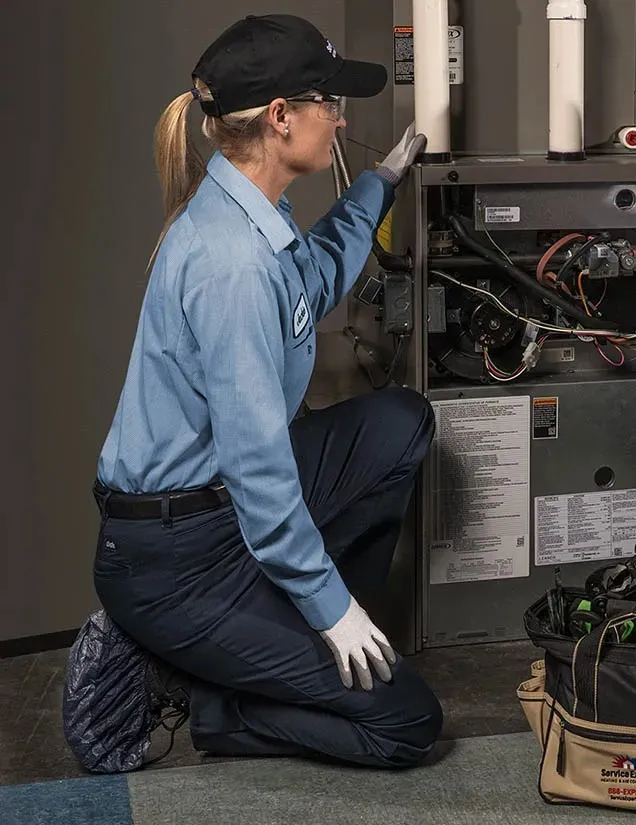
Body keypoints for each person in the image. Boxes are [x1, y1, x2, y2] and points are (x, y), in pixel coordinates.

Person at [92, 14, 442, 767]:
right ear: (281, 118)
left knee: (399, 423)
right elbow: (259, 472)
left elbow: (313, 279)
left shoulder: (253, 216)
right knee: (406, 721)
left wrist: (379, 186)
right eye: (330, 102)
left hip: (212, 512)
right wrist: (333, 608)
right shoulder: (232, 267)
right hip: (173, 558)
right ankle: (215, 701)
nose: (342, 118)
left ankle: (285, 641)